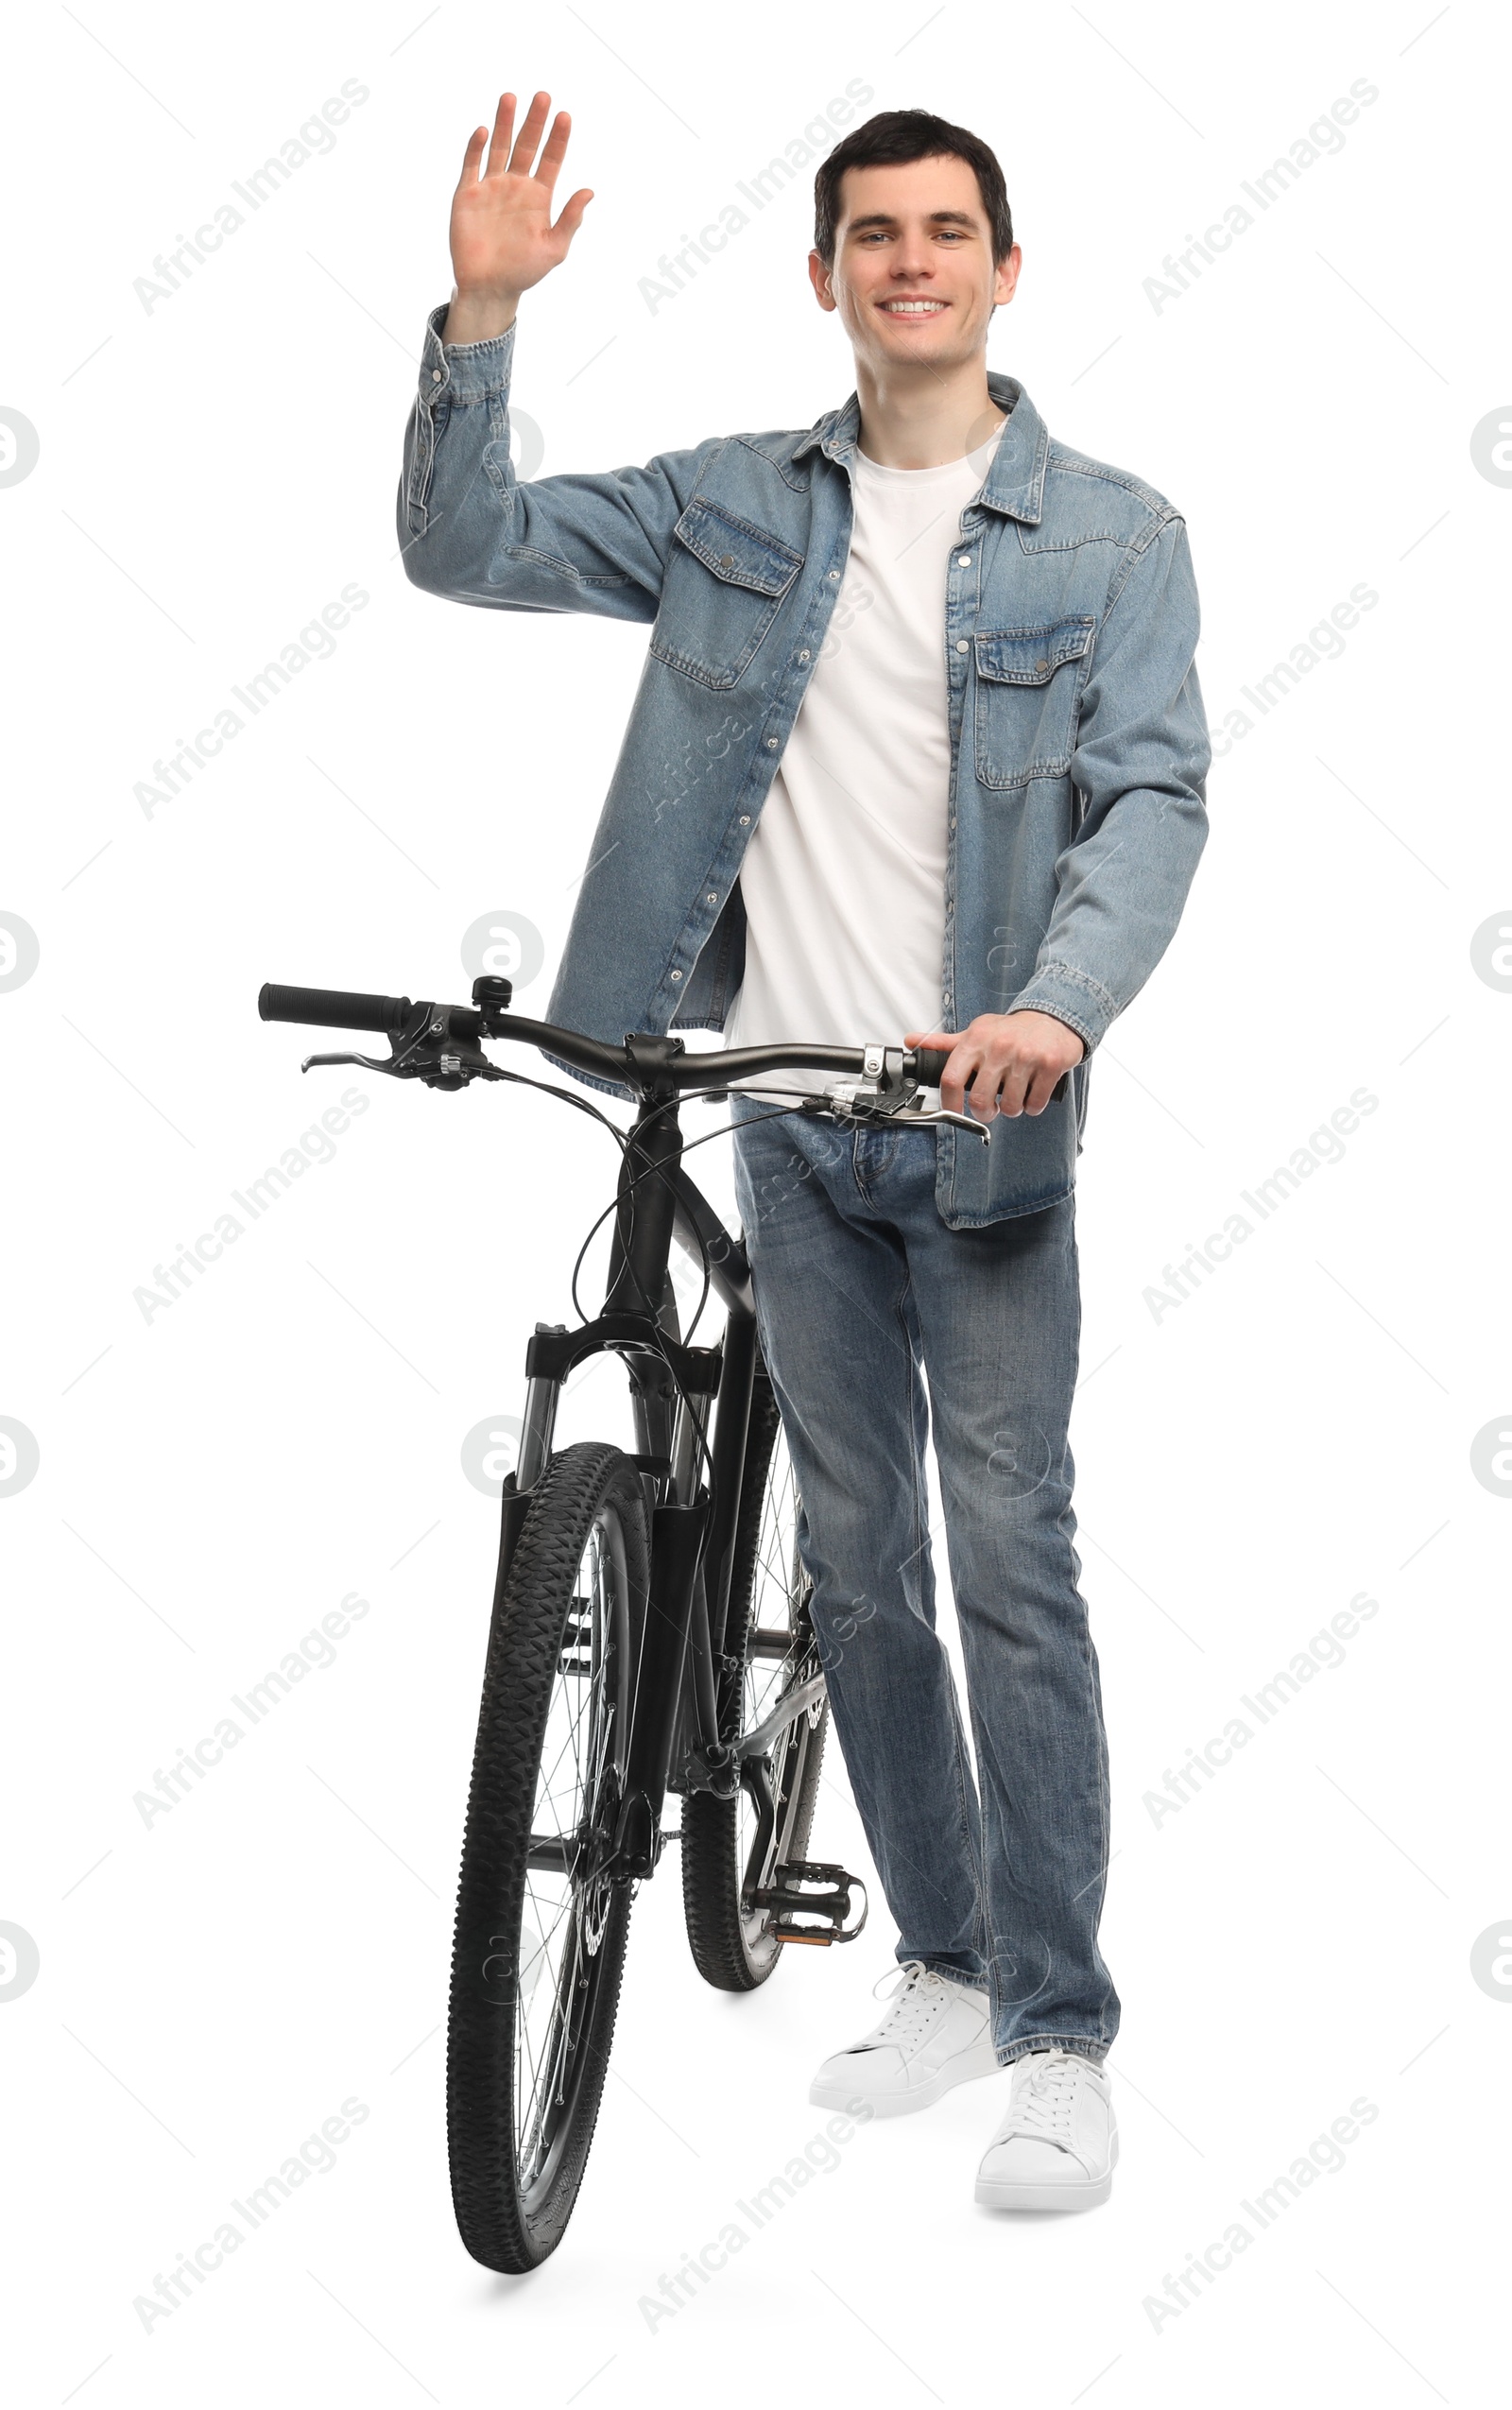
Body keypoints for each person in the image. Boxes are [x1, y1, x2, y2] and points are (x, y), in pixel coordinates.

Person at [400, 90, 1210, 2212]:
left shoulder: (1114, 537)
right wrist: (481, 313)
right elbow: (461, 548)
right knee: (857, 1575)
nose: (909, 260)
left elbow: (1150, 803)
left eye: (947, 230)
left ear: (1002, 271)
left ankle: (1056, 2033)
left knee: (1004, 1573)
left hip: (975, 1130)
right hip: (776, 1109)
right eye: (873, 232)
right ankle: (938, 1965)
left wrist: (1053, 1009)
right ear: (827, 274)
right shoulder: (727, 510)